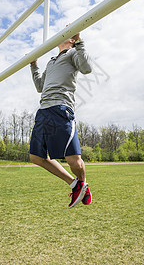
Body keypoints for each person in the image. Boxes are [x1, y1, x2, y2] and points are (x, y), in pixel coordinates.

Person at [29, 30, 92, 208]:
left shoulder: (73, 53)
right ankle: (75, 185)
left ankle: (83, 184)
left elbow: (87, 68)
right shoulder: (51, 61)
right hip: (43, 110)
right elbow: (40, 87)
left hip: (61, 108)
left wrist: (79, 41)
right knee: (36, 156)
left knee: (73, 159)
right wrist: (34, 66)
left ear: (71, 39)